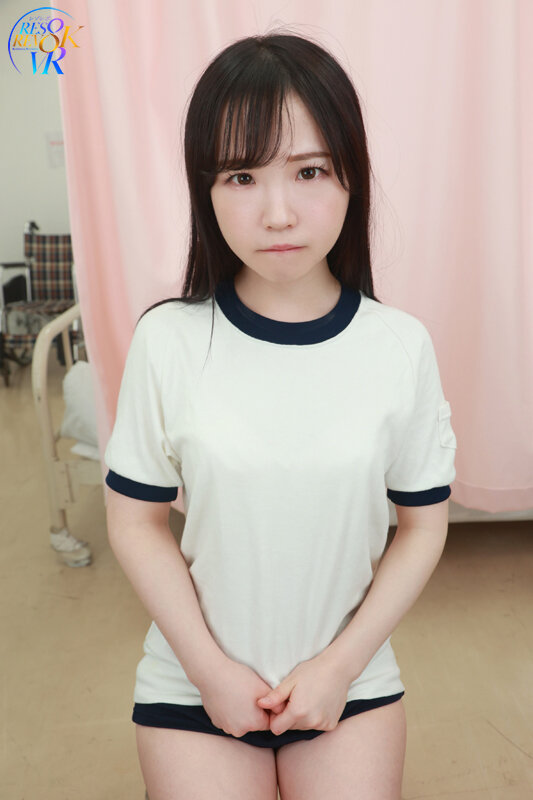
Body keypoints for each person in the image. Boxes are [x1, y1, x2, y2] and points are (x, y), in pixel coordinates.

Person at [104, 29, 457, 800]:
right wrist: (210, 672)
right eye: (240, 176)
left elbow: (422, 528)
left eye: (308, 171)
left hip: (349, 680)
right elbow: (134, 522)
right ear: (204, 188)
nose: (276, 213)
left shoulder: (399, 346)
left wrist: (337, 668)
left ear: (350, 176)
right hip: (191, 680)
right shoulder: (168, 340)